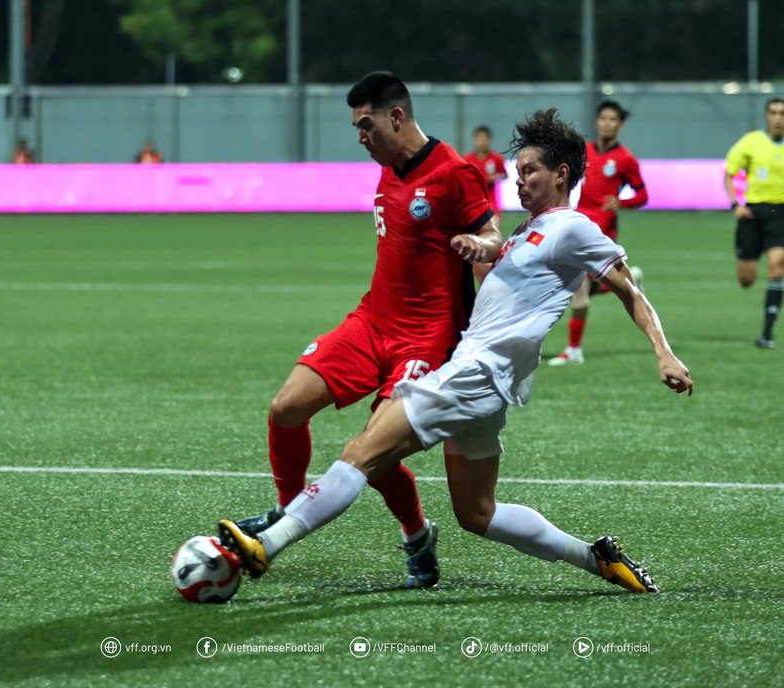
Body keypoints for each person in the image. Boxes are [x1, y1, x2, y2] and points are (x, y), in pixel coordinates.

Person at [220, 109, 693, 596]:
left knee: (361, 452)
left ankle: (266, 545)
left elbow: (628, 290)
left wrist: (665, 354)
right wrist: (480, 252)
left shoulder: (572, 228)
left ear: (562, 174)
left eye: (529, 172)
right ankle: (597, 560)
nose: (518, 182)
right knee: (477, 513)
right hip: (484, 383)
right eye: (516, 173)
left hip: (475, 375)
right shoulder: (527, 230)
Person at [232, 71, 501, 589]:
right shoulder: (389, 166)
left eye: (365, 125)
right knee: (285, 409)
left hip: (427, 338)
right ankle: (289, 510)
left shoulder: (454, 172)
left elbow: (492, 233)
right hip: (372, 321)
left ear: (395, 116)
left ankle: (418, 535)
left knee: (374, 454)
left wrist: (480, 246)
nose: (359, 138)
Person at [549, 100, 648, 366]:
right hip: (576, 223)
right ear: (597, 122)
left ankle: (573, 350)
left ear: (621, 125)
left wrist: (622, 202)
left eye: (612, 120)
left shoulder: (625, 159)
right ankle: (630, 281)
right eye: (603, 118)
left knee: (578, 286)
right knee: (577, 286)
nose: (607, 124)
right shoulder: (584, 151)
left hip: (602, 230)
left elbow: (643, 194)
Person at [724, 97, 784, 348]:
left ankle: (767, 334)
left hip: (780, 212)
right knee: (746, 279)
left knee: (777, 267)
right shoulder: (751, 141)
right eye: (773, 112)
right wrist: (736, 204)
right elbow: (728, 174)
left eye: (782, 113)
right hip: (754, 213)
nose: (778, 118)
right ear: (766, 116)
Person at [463, 126, 507, 217]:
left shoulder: (496, 158)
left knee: (494, 229)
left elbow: (505, 175)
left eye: (484, 139)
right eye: (479, 139)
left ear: (489, 140)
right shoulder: (467, 159)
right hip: (473, 202)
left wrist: (496, 177)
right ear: (474, 140)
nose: (481, 143)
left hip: (491, 202)